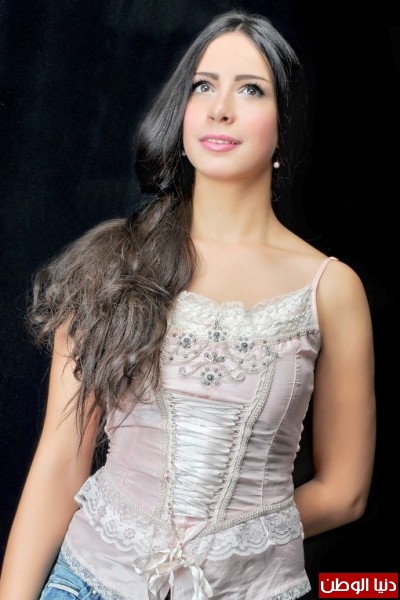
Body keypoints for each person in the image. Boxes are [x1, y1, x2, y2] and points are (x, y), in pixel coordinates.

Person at [0, 9, 376, 600]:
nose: (220, 108)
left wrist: (233, 544)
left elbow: (345, 492)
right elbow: (59, 462)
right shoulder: (112, 264)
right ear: (182, 111)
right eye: (203, 86)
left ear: (285, 125)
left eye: (250, 89)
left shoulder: (329, 288)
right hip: (89, 582)